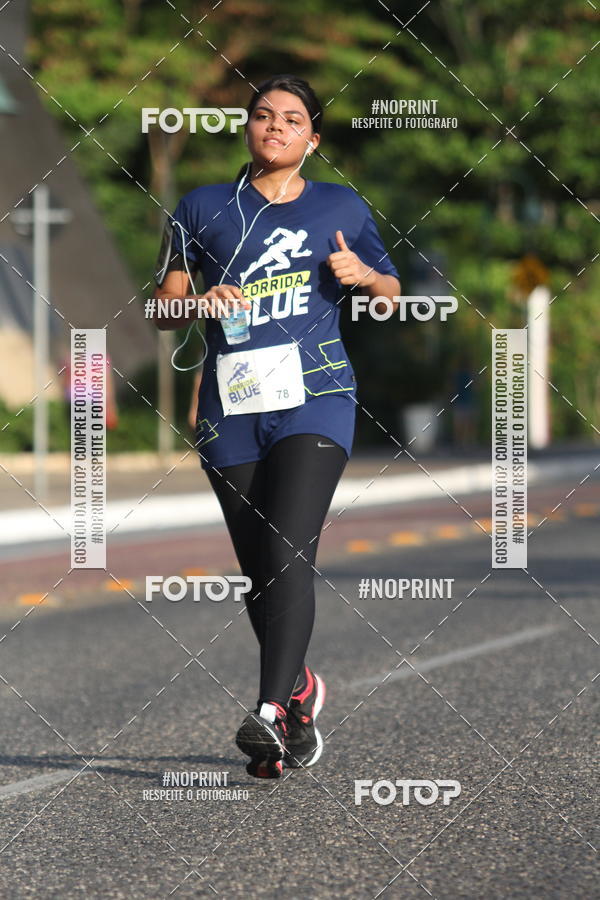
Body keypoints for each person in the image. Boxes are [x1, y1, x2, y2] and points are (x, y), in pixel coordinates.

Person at [152, 74, 400, 778]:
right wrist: (200, 301)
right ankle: (299, 693)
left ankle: (265, 714)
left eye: (292, 120)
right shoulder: (201, 208)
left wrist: (363, 277)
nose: (275, 127)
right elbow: (162, 308)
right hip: (230, 408)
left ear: (312, 140)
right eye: (263, 116)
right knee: (262, 569)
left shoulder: (339, 205)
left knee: (289, 549)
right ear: (248, 128)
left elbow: (391, 292)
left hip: (316, 398)